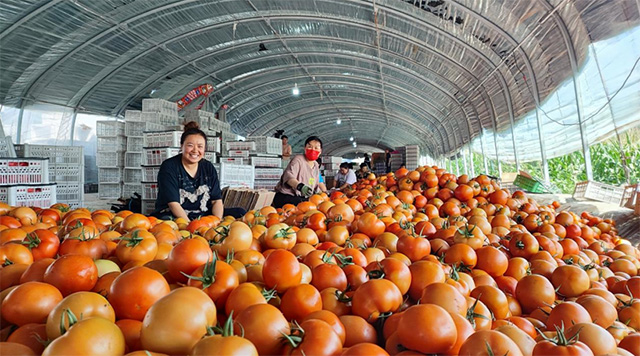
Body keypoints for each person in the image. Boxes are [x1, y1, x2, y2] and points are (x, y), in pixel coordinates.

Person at [154, 121, 245, 220]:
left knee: (240, 212)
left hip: (201, 214)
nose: (195, 150)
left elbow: (216, 201)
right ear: (181, 146)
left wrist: (216, 223)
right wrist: (189, 226)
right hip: (174, 214)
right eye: (190, 145)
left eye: (200, 146)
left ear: (205, 149)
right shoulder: (169, 166)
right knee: (167, 221)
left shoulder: (208, 167)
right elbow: (173, 204)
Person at [273, 136, 326, 208]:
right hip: (287, 197)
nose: (313, 150)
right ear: (305, 149)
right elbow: (289, 177)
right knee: (306, 204)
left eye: (316, 148)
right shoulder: (298, 160)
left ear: (320, 151)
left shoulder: (316, 165)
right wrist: (300, 187)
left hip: (302, 198)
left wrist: (324, 194)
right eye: (310, 147)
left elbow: (317, 183)